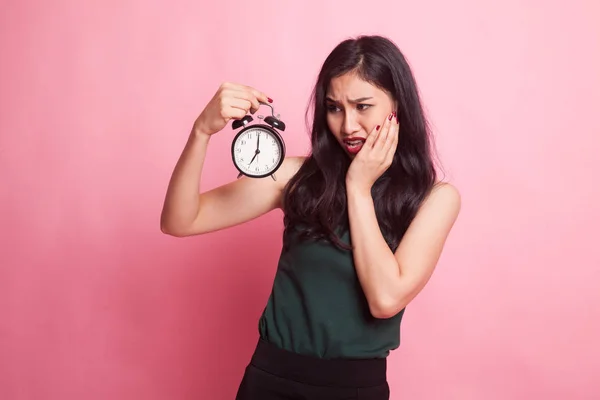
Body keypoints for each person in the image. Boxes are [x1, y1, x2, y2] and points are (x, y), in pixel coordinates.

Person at [160, 35, 461, 400]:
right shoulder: (294, 178)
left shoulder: (435, 199)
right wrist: (201, 132)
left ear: (398, 104)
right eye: (335, 108)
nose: (348, 125)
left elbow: (385, 299)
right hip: (271, 380)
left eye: (363, 106)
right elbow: (179, 220)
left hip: (355, 389)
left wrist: (358, 187)